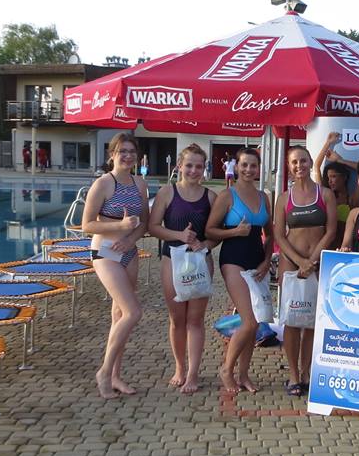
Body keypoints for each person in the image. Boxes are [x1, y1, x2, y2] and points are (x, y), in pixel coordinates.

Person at [81, 132, 149, 399]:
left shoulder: (139, 183)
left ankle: (116, 377)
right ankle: (104, 372)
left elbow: (144, 222)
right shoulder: (103, 184)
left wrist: (130, 238)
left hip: (129, 252)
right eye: (122, 151)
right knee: (133, 312)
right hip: (105, 253)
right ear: (112, 155)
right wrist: (119, 226)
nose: (128, 156)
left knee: (120, 316)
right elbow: (87, 225)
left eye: (132, 151)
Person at [148, 144, 218, 394]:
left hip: (200, 261)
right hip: (172, 260)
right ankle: (180, 367)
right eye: (189, 165)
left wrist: (204, 245)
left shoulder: (211, 197)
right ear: (179, 166)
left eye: (199, 166)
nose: (193, 170)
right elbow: (153, 227)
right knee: (177, 320)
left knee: (195, 320)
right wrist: (179, 235)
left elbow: (217, 233)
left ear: (204, 168)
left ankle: (193, 373)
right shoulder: (167, 193)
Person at [206, 147, 274, 393]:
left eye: (253, 165)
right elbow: (210, 230)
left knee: (255, 324)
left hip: (257, 262)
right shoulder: (227, 196)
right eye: (244, 165)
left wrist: (267, 261)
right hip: (233, 259)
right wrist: (234, 231)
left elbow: (270, 234)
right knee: (249, 321)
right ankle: (227, 369)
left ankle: (244, 375)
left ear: (258, 169)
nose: (248, 169)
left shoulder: (264, 197)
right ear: (236, 167)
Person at [273, 146, 337, 396]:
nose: (299, 165)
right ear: (289, 166)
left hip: (318, 263)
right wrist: (300, 261)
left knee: (311, 321)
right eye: (294, 162)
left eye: (303, 161)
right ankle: (293, 375)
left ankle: (307, 371)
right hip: (292, 264)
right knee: (292, 321)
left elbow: (331, 231)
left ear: (311, 163)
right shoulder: (283, 198)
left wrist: (311, 260)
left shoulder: (325, 194)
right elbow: (279, 235)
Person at [314, 132, 359, 247]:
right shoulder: (325, 195)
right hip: (324, 244)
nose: (330, 181)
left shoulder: (351, 200)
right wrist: (328, 143)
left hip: (345, 246)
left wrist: (340, 160)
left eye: (334, 176)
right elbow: (316, 166)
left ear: (344, 177)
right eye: (328, 177)